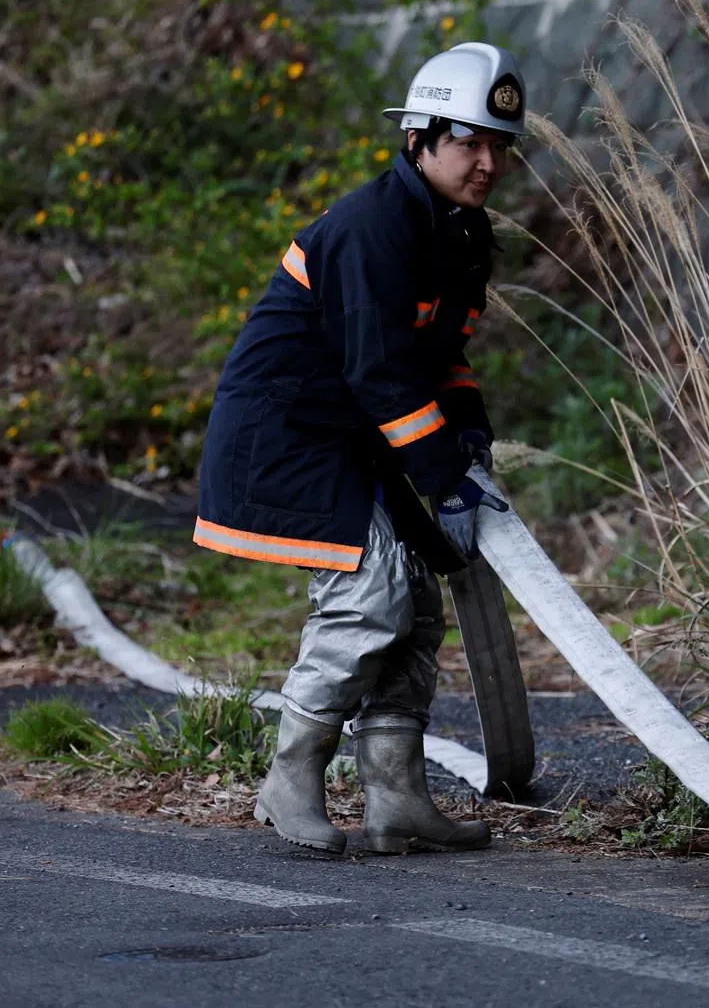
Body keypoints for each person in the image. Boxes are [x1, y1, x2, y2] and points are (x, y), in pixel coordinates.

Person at [193, 42, 525, 855]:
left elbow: (440, 358)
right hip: (287, 437)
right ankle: (289, 780)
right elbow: (379, 373)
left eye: (498, 147)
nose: (487, 163)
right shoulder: (373, 227)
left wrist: (469, 438)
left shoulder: (460, 232)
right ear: (420, 138)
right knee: (368, 596)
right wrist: (443, 476)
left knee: (413, 607)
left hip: (354, 442)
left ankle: (397, 800)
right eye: (468, 143)